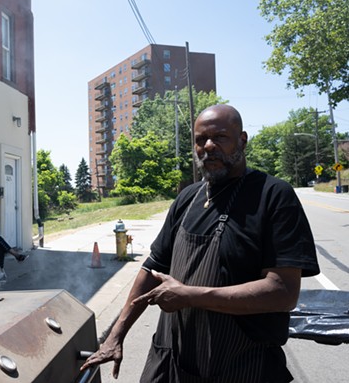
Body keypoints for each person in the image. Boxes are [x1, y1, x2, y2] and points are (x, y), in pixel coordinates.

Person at [81, 104, 320, 382]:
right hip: (173, 361)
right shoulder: (188, 198)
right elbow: (151, 269)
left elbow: (283, 291)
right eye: (200, 140)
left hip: (243, 367)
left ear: (242, 140)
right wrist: (116, 335)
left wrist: (189, 296)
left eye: (220, 137)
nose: (208, 146)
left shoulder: (273, 195)